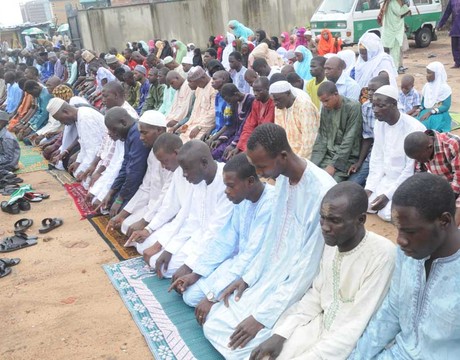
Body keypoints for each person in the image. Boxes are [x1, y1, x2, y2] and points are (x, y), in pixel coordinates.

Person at [203, 123, 337, 359]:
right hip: (270, 275)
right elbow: (272, 237)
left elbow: (308, 265)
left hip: (298, 285)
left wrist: (262, 318)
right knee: (214, 322)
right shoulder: (283, 178)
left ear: (282, 156)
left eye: (261, 166)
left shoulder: (322, 190)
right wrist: (248, 277)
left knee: (241, 348)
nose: (259, 172)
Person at [250, 182, 396, 360]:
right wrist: (281, 334)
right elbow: (317, 294)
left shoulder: (383, 255)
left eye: (335, 220)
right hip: (320, 324)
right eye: (323, 218)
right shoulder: (333, 242)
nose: (325, 227)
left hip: (350, 344)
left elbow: (356, 325)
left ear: (361, 220)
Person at [351, 173, 460, 358]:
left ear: (445, 221)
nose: (400, 240)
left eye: (410, 231)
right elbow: (392, 311)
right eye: (398, 228)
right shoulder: (407, 254)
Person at [170, 153, 275, 318]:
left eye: (231, 186)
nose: (226, 191)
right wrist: (195, 273)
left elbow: (251, 256)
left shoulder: (269, 204)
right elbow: (225, 240)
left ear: (250, 181)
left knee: (206, 308)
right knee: (190, 296)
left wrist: (212, 297)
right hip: (237, 261)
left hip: (255, 270)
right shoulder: (243, 199)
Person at [129, 140, 233, 279]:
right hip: (197, 237)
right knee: (157, 260)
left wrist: (188, 265)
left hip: (217, 243)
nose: (184, 175)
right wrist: (170, 250)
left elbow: (215, 231)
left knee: (167, 269)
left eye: (187, 170)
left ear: (204, 163)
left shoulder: (227, 182)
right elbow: (192, 221)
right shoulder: (200, 180)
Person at [107, 110, 173, 237]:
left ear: (159, 130)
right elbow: (145, 188)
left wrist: (144, 221)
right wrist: (122, 214)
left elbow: (167, 197)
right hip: (151, 205)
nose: (141, 137)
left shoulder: (172, 155)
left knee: (138, 236)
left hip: (165, 210)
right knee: (126, 226)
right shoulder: (152, 153)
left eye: (144, 133)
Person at [365, 85, 426, 221]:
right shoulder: (379, 124)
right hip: (386, 180)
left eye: (381, 106)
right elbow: (377, 159)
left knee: (388, 213)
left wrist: (387, 195)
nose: (375, 110)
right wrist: (369, 188)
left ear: (394, 105)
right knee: (366, 204)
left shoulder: (414, 128)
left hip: (406, 182)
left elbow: (410, 170)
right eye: (373, 105)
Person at [97, 106, 150, 217]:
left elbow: (135, 172)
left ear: (123, 122)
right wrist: (111, 192)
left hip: (143, 184)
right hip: (133, 181)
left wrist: (120, 199)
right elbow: (125, 165)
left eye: (113, 129)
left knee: (117, 212)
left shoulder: (137, 135)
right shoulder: (129, 133)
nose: (111, 133)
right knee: (108, 203)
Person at [404, 130, 460, 226]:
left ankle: (452, 232)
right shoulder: (420, 148)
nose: (418, 161)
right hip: (447, 185)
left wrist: (446, 199)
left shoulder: (451, 144)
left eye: (419, 158)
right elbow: (419, 175)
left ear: (429, 148)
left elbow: (458, 176)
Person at [311, 81, 362, 182]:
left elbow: (349, 140)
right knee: (311, 178)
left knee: (329, 184)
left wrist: (333, 165)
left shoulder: (353, 107)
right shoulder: (326, 109)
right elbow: (322, 137)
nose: (324, 105)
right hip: (328, 155)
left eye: (326, 100)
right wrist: (313, 164)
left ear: (336, 94)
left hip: (346, 159)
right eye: (322, 102)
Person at [46, 97, 106, 179]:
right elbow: (84, 144)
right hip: (97, 153)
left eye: (60, 119)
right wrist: (78, 161)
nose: (62, 123)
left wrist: (84, 169)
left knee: (83, 177)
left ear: (66, 112)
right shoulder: (79, 116)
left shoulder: (86, 118)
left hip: (106, 154)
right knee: (76, 171)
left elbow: (94, 149)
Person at [349, 75, 390, 187]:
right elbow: (367, 137)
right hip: (374, 154)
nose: (370, 93)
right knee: (353, 183)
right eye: (369, 90)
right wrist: (360, 161)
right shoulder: (366, 107)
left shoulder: (396, 109)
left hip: (391, 156)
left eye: (374, 90)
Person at [271, 80, 319, 159]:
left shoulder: (304, 106)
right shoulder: (279, 107)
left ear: (288, 94)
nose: (275, 103)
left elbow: (309, 143)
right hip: (287, 155)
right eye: (274, 100)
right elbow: (278, 135)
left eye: (277, 99)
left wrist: (295, 162)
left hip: (305, 158)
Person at [210, 83, 254, 162]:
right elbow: (233, 126)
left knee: (227, 157)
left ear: (236, 94)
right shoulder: (235, 103)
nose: (229, 103)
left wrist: (234, 144)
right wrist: (220, 140)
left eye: (229, 100)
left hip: (245, 137)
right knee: (214, 152)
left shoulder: (250, 101)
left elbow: (245, 126)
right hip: (236, 136)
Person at [231, 76, 275, 155]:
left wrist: (248, 150)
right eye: (254, 91)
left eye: (259, 91)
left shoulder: (273, 104)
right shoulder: (256, 102)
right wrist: (239, 147)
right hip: (255, 139)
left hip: (267, 140)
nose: (255, 94)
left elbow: (265, 128)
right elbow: (249, 126)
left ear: (268, 89)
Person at [178, 66, 217, 142]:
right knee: (180, 139)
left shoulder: (214, 88)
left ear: (203, 78)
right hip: (195, 123)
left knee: (191, 143)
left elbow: (213, 114)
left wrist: (199, 127)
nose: (196, 85)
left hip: (207, 125)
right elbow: (195, 111)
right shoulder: (199, 88)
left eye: (196, 82)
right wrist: (187, 124)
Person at [415, 62, 452, 132]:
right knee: (415, 122)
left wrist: (431, 112)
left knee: (427, 125)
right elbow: (423, 103)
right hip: (426, 111)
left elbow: (446, 106)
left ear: (437, 74)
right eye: (427, 73)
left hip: (439, 113)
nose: (427, 75)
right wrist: (419, 110)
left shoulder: (445, 88)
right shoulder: (427, 86)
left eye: (429, 73)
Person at [381, 0, 411, 71]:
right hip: (394, 32)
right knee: (395, 52)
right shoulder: (393, 3)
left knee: (395, 52)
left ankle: (397, 67)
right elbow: (400, 12)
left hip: (392, 31)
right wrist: (406, 5)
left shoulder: (388, 3)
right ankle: (394, 69)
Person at [437, 0, 460, 68]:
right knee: (455, 47)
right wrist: (440, 25)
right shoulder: (452, 1)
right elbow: (447, 13)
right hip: (455, 28)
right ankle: (457, 62)